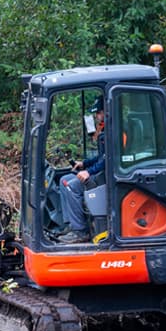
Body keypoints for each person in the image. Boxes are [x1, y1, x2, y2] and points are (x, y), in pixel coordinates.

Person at [58, 102, 105, 243]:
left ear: (105, 111)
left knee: (71, 185)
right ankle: (71, 225)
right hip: (101, 170)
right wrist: (84, 164)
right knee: (63, 180)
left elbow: (108, 159)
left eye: (98, 113)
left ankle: (80, 231)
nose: (96, 116)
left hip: (108, 175)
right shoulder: (104, 130)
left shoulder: (114, 131)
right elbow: (101, 156)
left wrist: (88, 172)